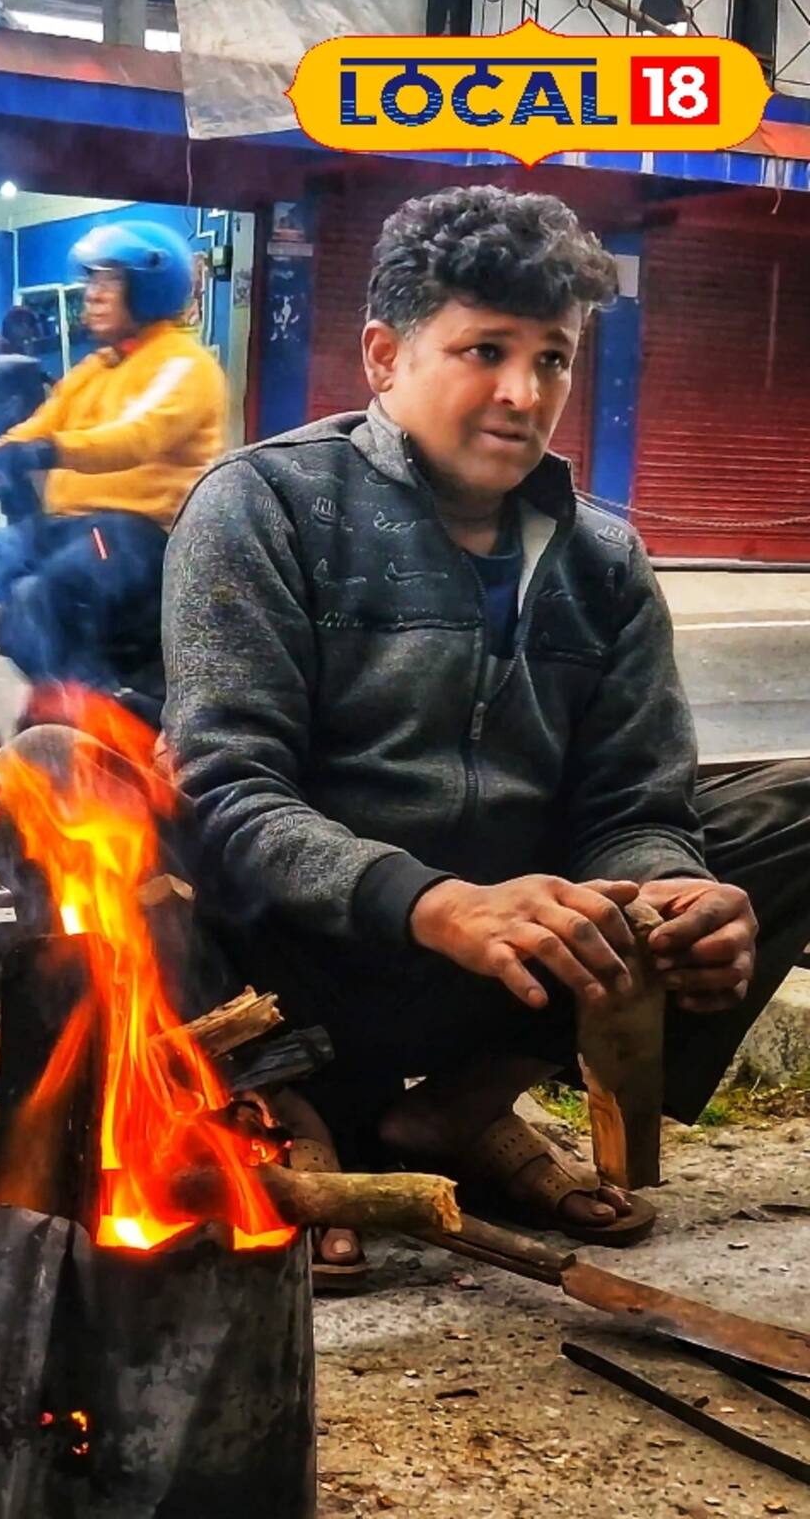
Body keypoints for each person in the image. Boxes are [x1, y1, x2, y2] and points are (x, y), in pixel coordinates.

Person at [162, 185, 810, 1284]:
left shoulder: (602, 559)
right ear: (381, 355)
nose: (522, 393)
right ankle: (285, 1108)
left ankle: (463, 1109)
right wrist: (432, 903)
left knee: (783, 812)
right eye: (482, 350)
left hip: (512, 968)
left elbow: (631, 806)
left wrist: (671, 893)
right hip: (293, 965)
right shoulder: (260, 506)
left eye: (551, 359)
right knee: (79, 791)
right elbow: (230, 792)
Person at [0, 220, 227, 695]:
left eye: (109, 280)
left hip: (138, 537)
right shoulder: (95, 367)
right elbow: (40, 425)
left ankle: (103, 713)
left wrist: (49, 451)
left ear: (149, 285)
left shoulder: (183, 364)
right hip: (73, 528)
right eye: (91, 280)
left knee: (38, 602)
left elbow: (135, 435)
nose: (92, 294)